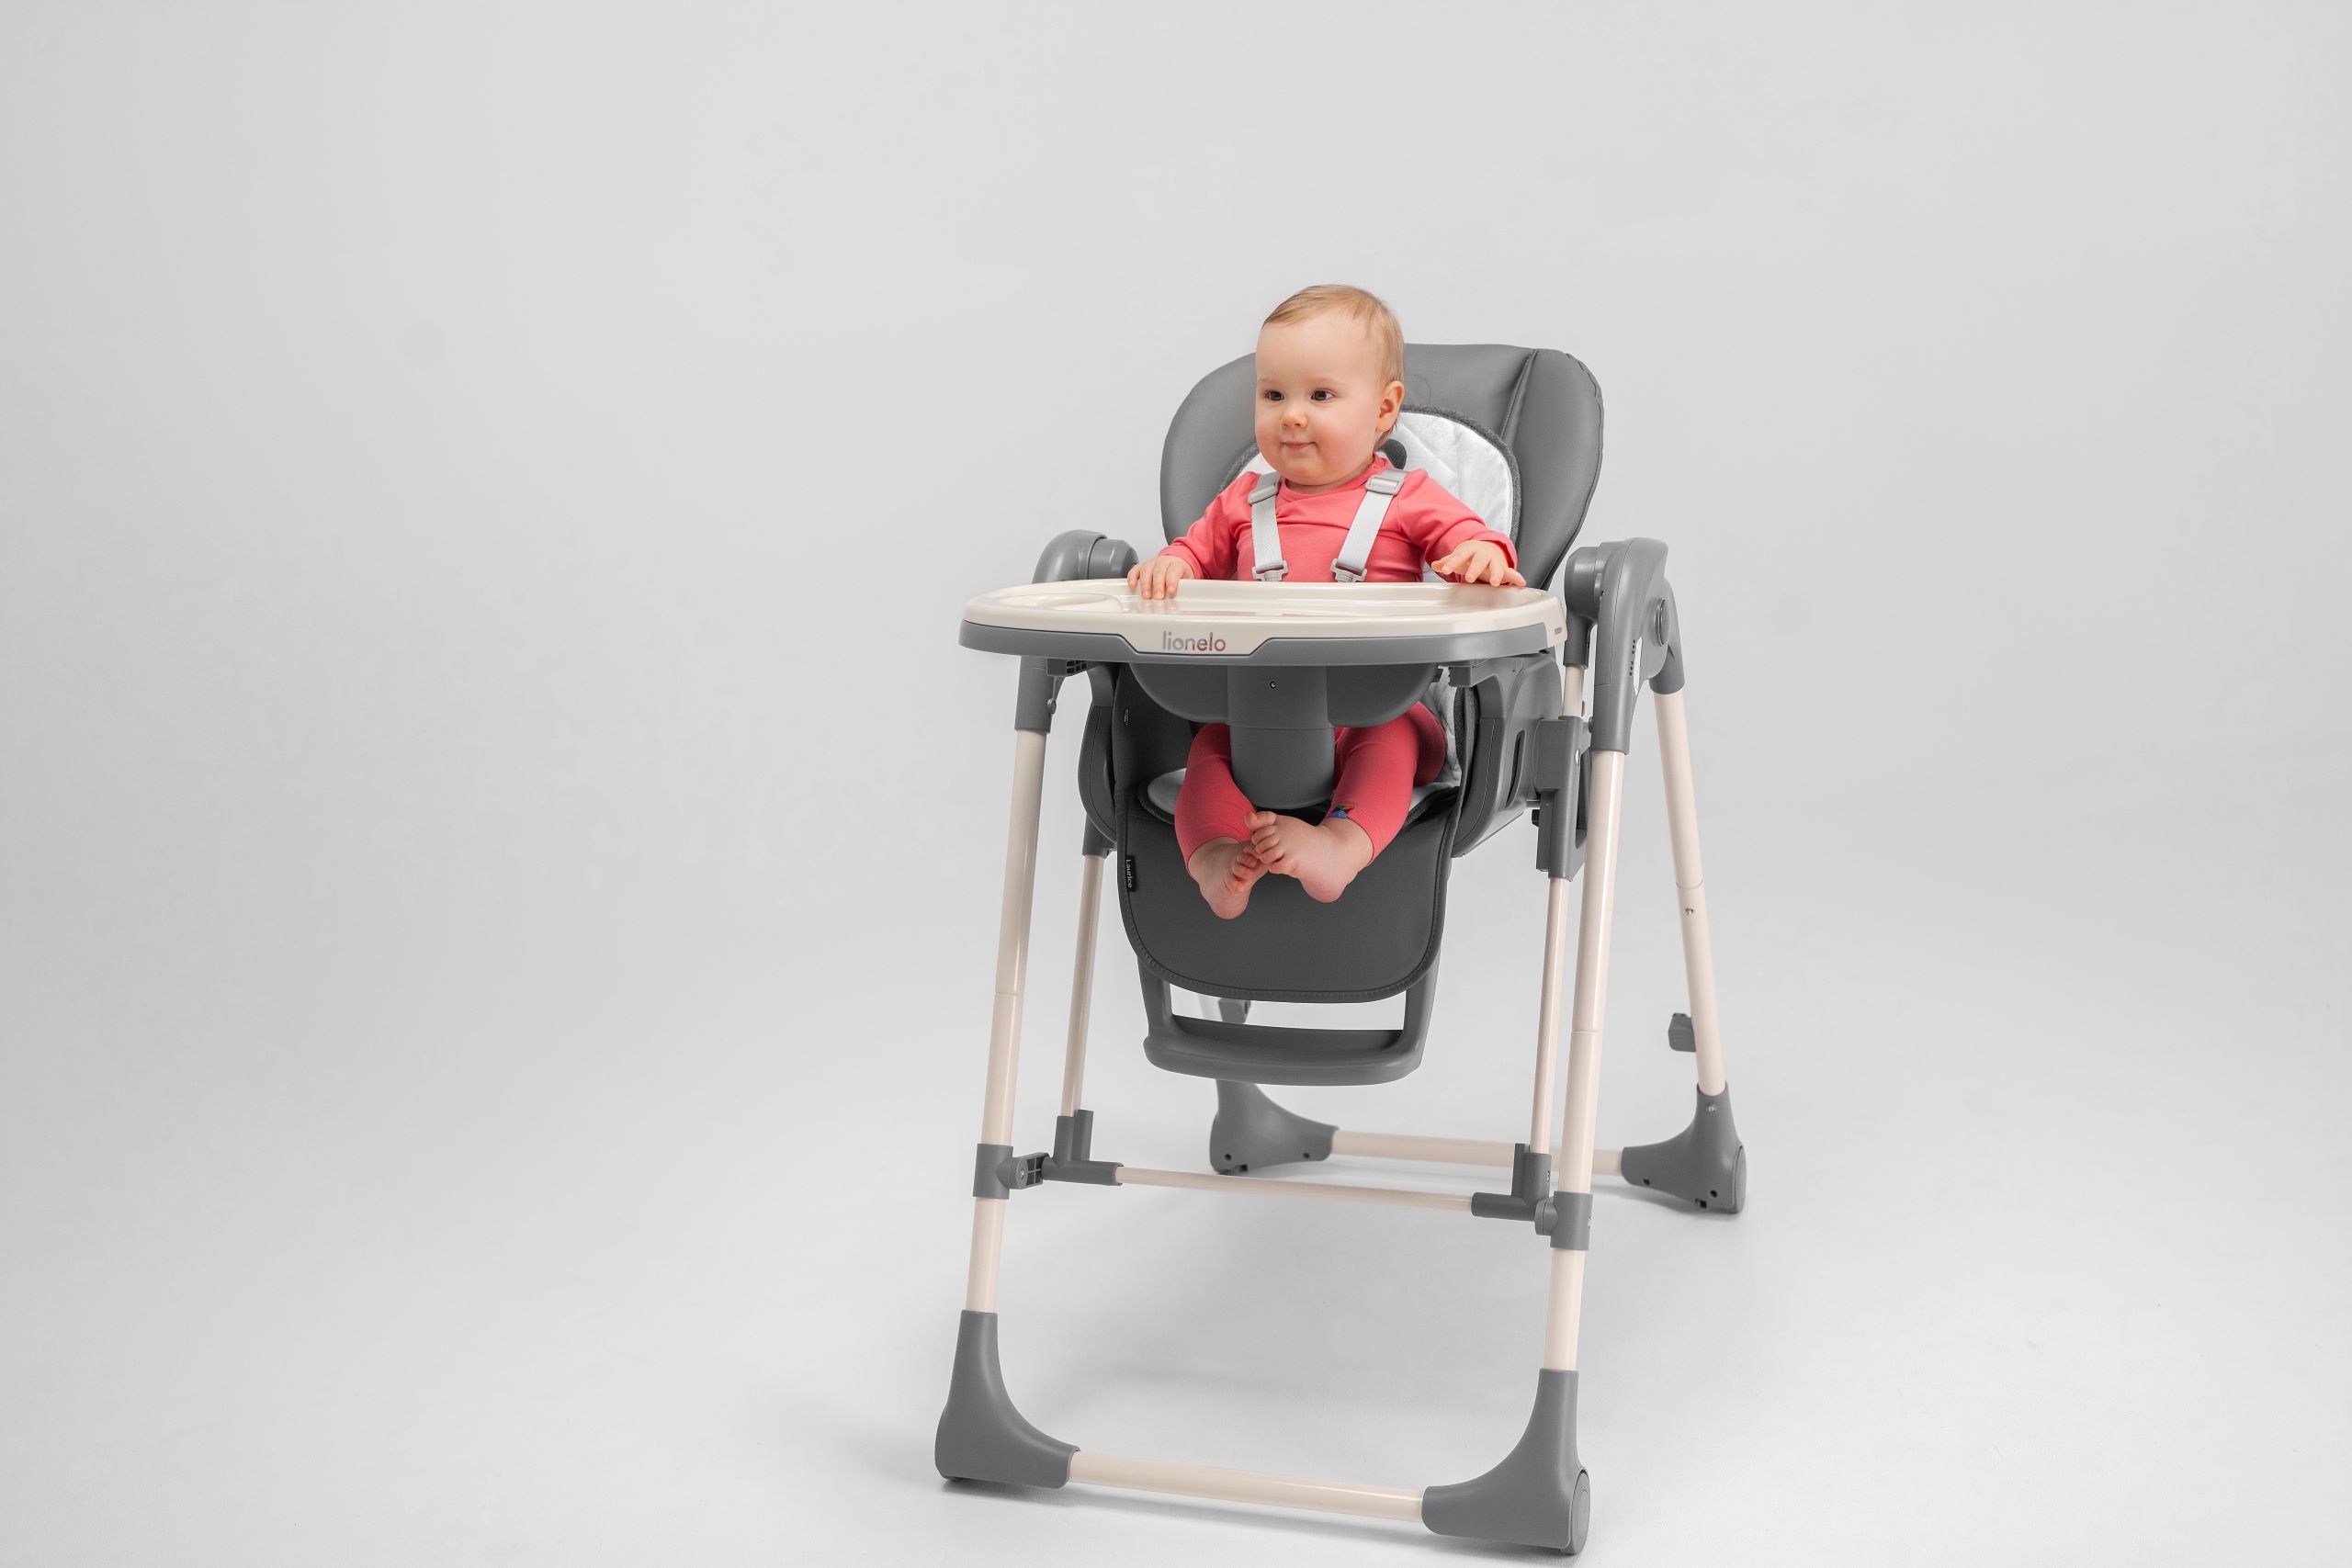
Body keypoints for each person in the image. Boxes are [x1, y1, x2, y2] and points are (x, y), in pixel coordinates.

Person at [1127, 285, 1523, 918]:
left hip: (1376, 703)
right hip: (1259, 710)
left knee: (1392, 741)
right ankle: (1216, 856)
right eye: (1273, 395)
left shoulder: (1408, 496)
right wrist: (1172, 565)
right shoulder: (1243, 500)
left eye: (1320, 396)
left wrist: (1482, 555)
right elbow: (1193, 554)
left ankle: (1342, 845)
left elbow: (1467, 535)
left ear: (1384, 409)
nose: (1291, 415)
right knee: (1208, 750)